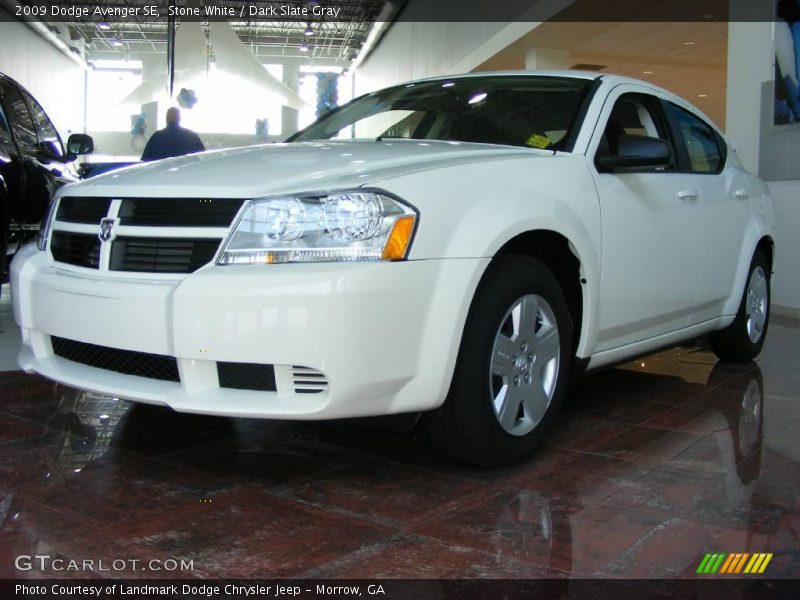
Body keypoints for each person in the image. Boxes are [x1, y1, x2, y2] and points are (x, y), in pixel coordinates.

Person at [140, 107, 205, 161]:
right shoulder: (192, 136)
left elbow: (145, 160)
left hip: (162, 175)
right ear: (179, 118)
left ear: (166, 119)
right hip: (187, 174)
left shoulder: (156, 137)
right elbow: (203, 158)